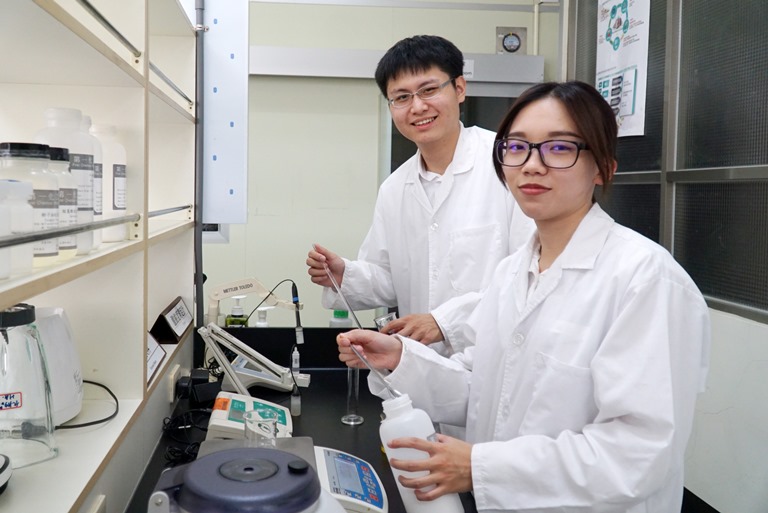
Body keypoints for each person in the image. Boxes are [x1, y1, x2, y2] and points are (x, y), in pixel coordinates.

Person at [336, 81, 711, 512]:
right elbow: (484, 390)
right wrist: (401, 359)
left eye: (559, 148)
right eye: (516, 147)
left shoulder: (646, 281)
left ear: (603, 168)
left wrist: (481, 467)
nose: (532, 165)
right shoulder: (512, 273)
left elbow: (638, 453)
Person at [307, 35, 533, 355]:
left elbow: (531, 276)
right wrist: (345, 274)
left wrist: (444, 322)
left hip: (496, 361)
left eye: (428, 90)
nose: (417, 107)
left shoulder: (510, 164)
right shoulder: (395, 189)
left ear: (459, 88)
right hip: (421, 367)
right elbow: (390, 278)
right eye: (401, 97)